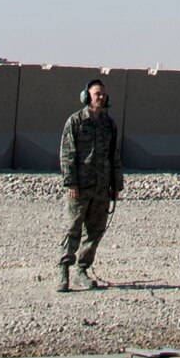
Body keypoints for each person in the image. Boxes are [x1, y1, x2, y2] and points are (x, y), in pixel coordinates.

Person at [56, 77, 123, 292]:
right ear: (87, 97)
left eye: (103, 94)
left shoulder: (108, 124)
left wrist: (116, 186)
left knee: (95, 231)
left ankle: (82, 270)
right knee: (73, 228)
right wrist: (71, 183)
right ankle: (64, 270)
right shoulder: (76, 122)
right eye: (97, 94)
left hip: (102, 187)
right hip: (80, 187)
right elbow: (67, 154)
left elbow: (114, 157)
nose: (101, 98)